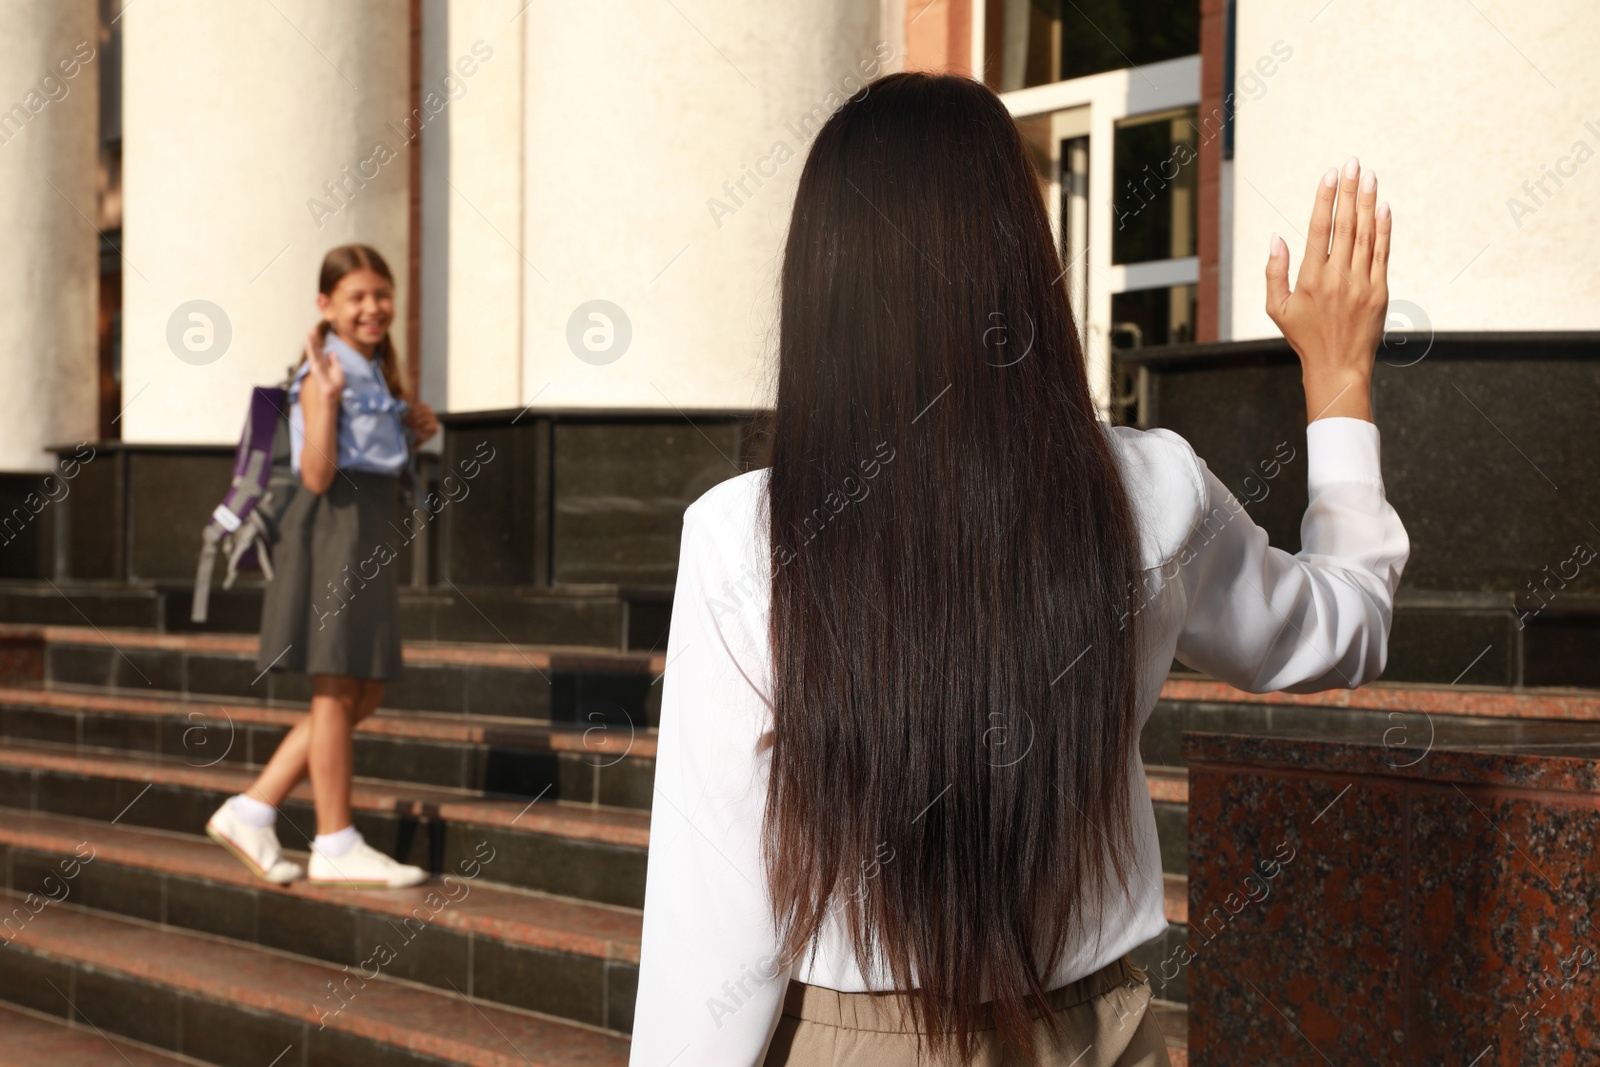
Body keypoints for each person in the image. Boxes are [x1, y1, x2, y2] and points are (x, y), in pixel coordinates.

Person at [630, 73, 1408, 1066]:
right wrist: (1338, 379)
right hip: (1097, 1031)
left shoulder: (743, 535)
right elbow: (1343, 627)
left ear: (820, 279)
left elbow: (716, 913)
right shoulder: (1153, 490)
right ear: (1021, 259)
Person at [205, 244, 440, 889]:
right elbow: (313, 474)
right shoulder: (326, 371)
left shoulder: (372, 369)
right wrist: (328, 401)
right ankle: (335, 839)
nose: (372, 308)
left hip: (364, 529)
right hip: (333, 527)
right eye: (356, 297)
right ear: (326, 306)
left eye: (381, 294)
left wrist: (411, 425)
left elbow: (373, 455)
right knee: (337, 685)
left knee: (364, 687)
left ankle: (251, 809)